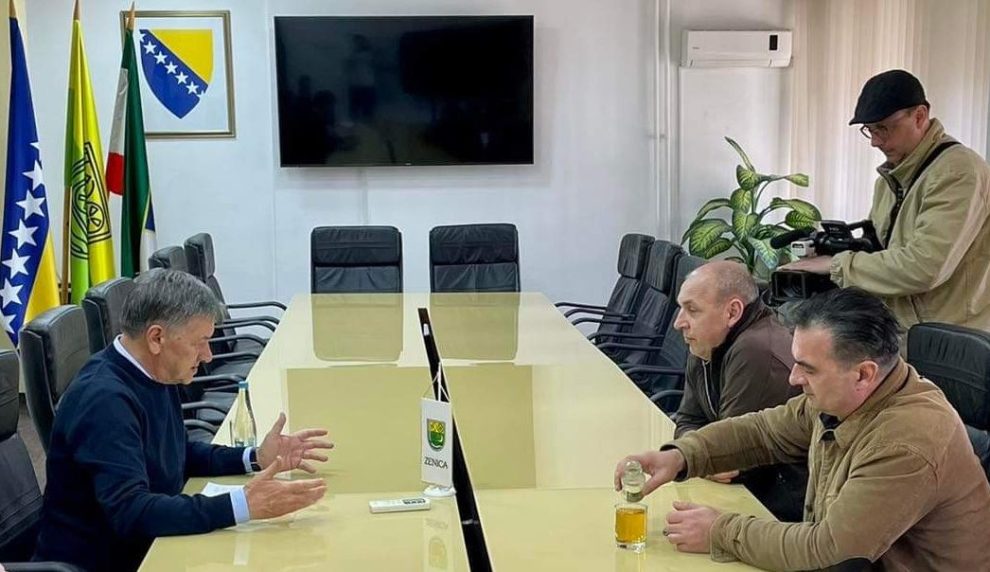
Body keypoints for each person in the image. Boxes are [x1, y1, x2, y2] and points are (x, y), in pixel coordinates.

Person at [615, 288, 990, 571]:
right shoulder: (847, 397)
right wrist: (681, 456)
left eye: (808, 368)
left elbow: (831, 550)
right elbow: (762, 432)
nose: (794, 378)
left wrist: (720, 531)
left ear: (863, 374)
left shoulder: (907, 441)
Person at [33, 270, 333, 572]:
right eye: (200, 342)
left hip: (150, 548)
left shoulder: (154, 371)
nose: (208, 356)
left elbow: (177, 452)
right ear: (157, 338)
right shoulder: (104, 400)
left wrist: (255, 457)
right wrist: (243, 504)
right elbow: (131, 512)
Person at [781, 69, 990, 332]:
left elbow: (924, 267)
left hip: (952, 339)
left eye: (883, 128)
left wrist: (836, 266)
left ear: (920, 116)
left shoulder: (957, 171)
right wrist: (837, 249)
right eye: (869, 130)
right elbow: (883, 251)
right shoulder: (890, 179)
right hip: (906, 333)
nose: (875, 141)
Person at [671, 261, 805, 522]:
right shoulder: (706, 340)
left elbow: (733, 459)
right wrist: (702, 454)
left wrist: (702, 455)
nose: (679, 322)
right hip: (743, 496)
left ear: (732, 312)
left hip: (774, 510)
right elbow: (687, 420)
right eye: (680, 308)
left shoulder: (756, 350)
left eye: (692, 310)